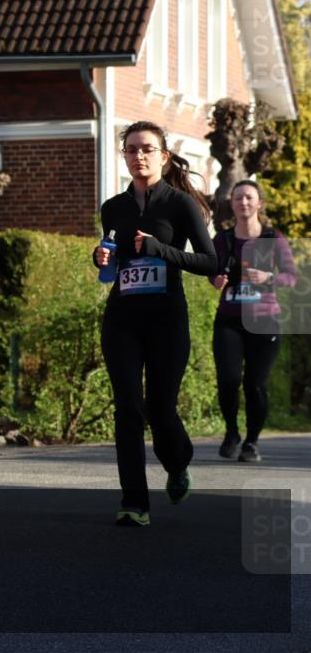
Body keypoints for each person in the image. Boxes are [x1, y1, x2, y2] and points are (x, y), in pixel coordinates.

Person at [93, 121, 217, 527]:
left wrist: (161, 249)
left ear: (163, 156)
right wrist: (102, 259)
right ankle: (134, 502)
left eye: (146, 149)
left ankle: (178, 463)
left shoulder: (181, 205)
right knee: (128, 408)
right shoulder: (113, 208)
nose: (138, 156)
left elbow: (211, 262)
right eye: (131, 150)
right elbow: (115, 264)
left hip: (166, 319)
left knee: (161, 409)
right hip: (123, 320)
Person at [210, 180, 297, 462]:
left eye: (248, 198)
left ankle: (252, 442)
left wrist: (269, 278)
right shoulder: (221, 240)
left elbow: (291, 277)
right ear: (232, 204)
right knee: (228, 380)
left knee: (255, 384)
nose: (243, 203)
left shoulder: (273, 238)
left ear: (259, 203)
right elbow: (210, 271)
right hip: (229, 320)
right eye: (238, 198)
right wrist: (216, 279)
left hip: (264, 321)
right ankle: (232, 432)